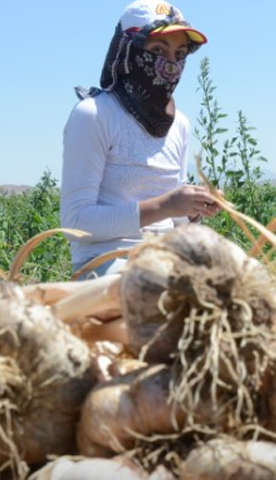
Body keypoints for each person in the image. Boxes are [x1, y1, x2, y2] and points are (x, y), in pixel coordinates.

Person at [60, 1, 223, 279]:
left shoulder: (179, 124)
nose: (170, 65)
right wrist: (165, 205)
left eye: (179, 53)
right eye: (158, 51)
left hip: (167, 258)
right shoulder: (94, 115)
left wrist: (193, 211)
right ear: (127, 51)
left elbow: (174, 222)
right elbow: (76, 222)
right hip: (106, 260)